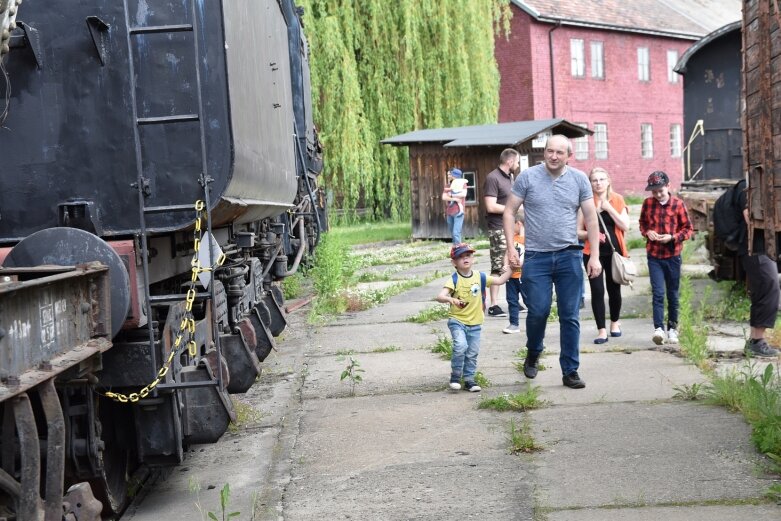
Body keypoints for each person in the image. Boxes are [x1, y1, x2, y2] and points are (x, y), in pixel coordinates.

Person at [503, 135, 602, 389]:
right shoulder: (528, 177)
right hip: (537, 257)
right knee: (538, 311)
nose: (554, 156)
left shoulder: (579, 179)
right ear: (544, 152)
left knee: (570, 316)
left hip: (569, 255)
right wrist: (510, 248)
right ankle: (534, 351)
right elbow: (509, 211)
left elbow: (591, 219)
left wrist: (595, 256)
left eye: (559, 152)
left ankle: (570, 370)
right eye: (549, 151)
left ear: (568, 155)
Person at [436, 243, 511, 392]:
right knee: (461, 346)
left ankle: (469, 380)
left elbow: (500, 280)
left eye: (468, 255)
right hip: (457, 321)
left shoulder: (480, 276)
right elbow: (440, 296)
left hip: (476, 323)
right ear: (454, 263)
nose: (465, 258)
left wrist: (511, 269)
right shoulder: (454, 279)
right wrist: (451, 299)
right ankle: (456, 376)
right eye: (460, 257)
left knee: (472, 353)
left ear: (473, 259)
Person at [638, 171, 693, 346]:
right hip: (654, 255)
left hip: (673, 255)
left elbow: (688, 229)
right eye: (654, 192)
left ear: (668, 187)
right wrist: (648, 232)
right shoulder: (648, 204)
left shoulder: (678, 204)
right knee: (658, 293)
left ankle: (673, 329)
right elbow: (642, 223)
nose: (657, 194)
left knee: (673, 294)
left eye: (660, 191)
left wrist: (672, 237)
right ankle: (658, 329)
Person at [577, 167, 630, 344]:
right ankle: (601, 330)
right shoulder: (585, 201)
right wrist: (591, 235)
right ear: (590, 183)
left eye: (601, 179)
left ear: (608, 181)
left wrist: (609, 208)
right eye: (594, 180)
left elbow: (625, 226)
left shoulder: (617, 200)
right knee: (597, 291)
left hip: (615, 253)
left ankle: (614, 323)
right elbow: (577, 232)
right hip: (592, 254)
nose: (598, 183)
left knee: (614, 290)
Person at [735, 180, 780, 357]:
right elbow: (750, 217)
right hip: (756, 246)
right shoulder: (749, 185)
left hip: (764, 245)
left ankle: (755, 340)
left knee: (764, 290)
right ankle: (757, 341)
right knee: (769, 287)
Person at [484, 148, 520, 317]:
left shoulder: (510, 178)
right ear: (510, 162)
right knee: (498, 266)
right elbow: (490, 206)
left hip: (510, 227)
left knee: (512, 263)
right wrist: (511, 209)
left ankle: (513, 300)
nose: (518, 165)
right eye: (517, 162)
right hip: (497, 227)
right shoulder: (493, 178)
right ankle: (493, 305)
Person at [503, 211, 527, 334]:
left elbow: (527, 256)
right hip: (511, 277)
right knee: (512, 300)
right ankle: (514, 324)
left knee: (529, 300)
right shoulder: (512, 238)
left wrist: (520, 264)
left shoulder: (527, 240)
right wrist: (505, 265)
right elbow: (507, 252)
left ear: (518, 224)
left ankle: (535, 321)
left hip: (523, 277)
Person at [442, 168, 467, 244]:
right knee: (453, 234)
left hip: (458, 212)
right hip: (449, 212)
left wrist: (451, 195)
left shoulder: (462, 184)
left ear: (454, 175)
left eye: (449, 174)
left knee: (456, 233)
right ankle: (456, 250)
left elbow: (463, 194)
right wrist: (455, 199)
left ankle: (459, 251)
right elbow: (444, 197)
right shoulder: (448, 185)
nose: (448, 176)